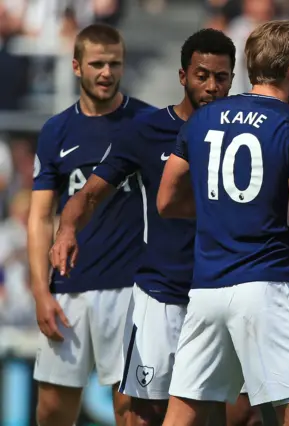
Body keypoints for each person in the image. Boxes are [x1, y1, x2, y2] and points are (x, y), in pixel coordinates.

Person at [48, 29, 263, 426]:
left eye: (222, 77)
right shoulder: (147, 130)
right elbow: (91, 194)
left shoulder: (248, 135)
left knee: (233, 412)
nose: (212, 86)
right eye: (202, 75)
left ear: (234, 78)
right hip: (161, 293)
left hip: (222, 291)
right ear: (183, 76)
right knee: (144, 411)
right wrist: (66, 230)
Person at [156, 20, 289, 426]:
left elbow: (166, 201)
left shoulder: (201, 119)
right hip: (268, 287)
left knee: (181, 413)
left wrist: (222, 212)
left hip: (206, 290)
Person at [28, 23, 154, 426]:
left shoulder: (149, 124)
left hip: (131, 288)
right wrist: (39, 291)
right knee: (52, 409)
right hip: (69, 288)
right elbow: (39, 216)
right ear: (76, 66)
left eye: (114, 63)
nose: (106, 72)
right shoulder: (56, 131)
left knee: (130, 409)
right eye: (97, 63)